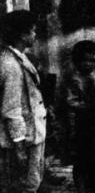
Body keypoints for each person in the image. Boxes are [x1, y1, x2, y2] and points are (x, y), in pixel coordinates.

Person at [0, 10, 47, 193]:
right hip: (24, 138)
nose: (35, 35)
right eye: (32, 31)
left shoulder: (17, 56)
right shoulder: (11, 65)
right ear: (22, 35)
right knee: (27, 185)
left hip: (32, 132)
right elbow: (10, 109)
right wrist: (19, 147)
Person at [60, 40, 95, 193]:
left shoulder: (94, 79)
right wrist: (88, 106)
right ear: (77, 61)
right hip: (80, 125)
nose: (88, 64)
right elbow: (70, 102)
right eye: (85, 61)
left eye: (92, 60)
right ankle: (81, 187)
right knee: (81, 158)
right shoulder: (73, 80)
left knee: (93, 157)